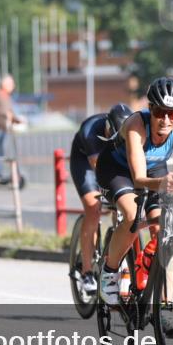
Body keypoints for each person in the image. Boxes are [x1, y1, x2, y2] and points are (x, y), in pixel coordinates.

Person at [95, 77, 173, 313]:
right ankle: (109, 273)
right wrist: (163, 183)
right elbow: (139, 179)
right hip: (117, 170)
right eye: (160, 112)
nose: (165, 120)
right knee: (132, 216)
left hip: (154, 169)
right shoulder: (135, 125)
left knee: (162, 231)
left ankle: (164, 306)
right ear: (150, 108)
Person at [69, 103, 134, 294]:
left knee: (125, 205)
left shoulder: (132, 130)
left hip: (113, 161)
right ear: (108, 127)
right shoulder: (91, 131)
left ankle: (117, 261)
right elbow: (100, 170)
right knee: (93, 206)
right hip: (87, 162)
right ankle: (87, 271)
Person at [0, 74, 22, 183]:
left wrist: (16, 120)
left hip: (4, 129)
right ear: (4, 84)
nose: (13, 86)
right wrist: (5, 115)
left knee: (1, 151)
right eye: (11, 84)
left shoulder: (7, 97)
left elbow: (10, 113)